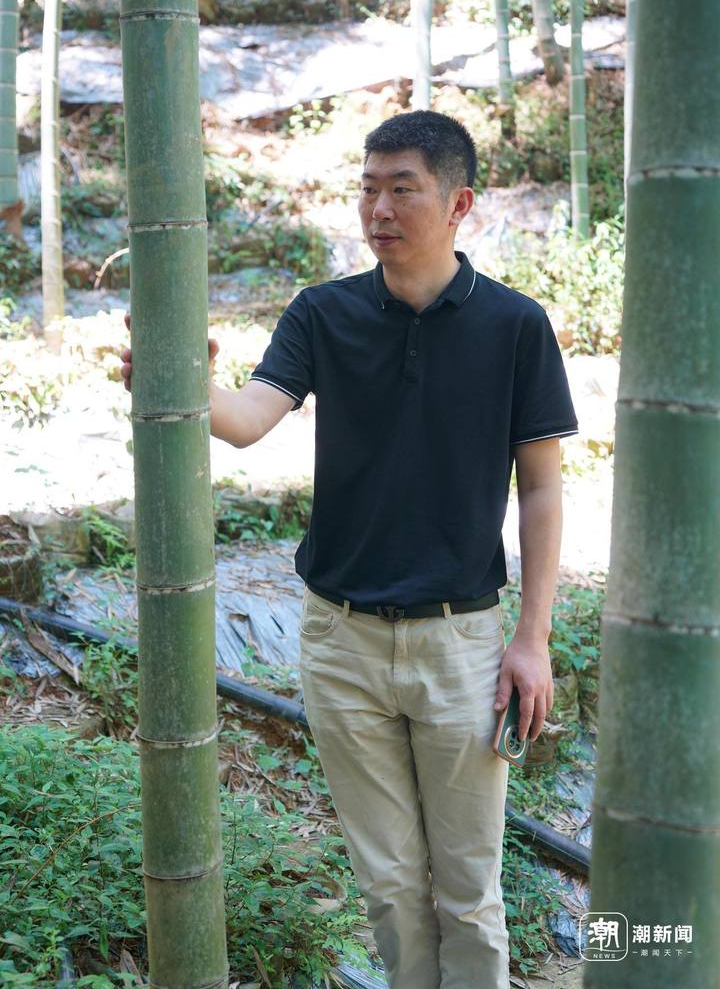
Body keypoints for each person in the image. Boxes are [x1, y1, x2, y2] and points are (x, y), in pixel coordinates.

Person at [120, 110, 578, 989]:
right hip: (341, 640)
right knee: (390, 886)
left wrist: (533, 636)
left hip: (462, 641)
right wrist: (179, 375)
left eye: (403, 188)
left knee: (469, 889)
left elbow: (543, 488)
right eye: (368, 189)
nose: (380, 209)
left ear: (460, 204)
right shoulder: (323, 312)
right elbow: (248, 418)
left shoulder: (516, 325)